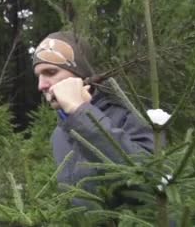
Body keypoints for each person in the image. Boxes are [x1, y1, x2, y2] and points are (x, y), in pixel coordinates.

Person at [32, 31, 154, 206]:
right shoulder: (59, 134)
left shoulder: (130, 116)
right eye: (38, 76)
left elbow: (149, 182)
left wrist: (80, 112)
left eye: (50, 72)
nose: (41, 85)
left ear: (80, 76)